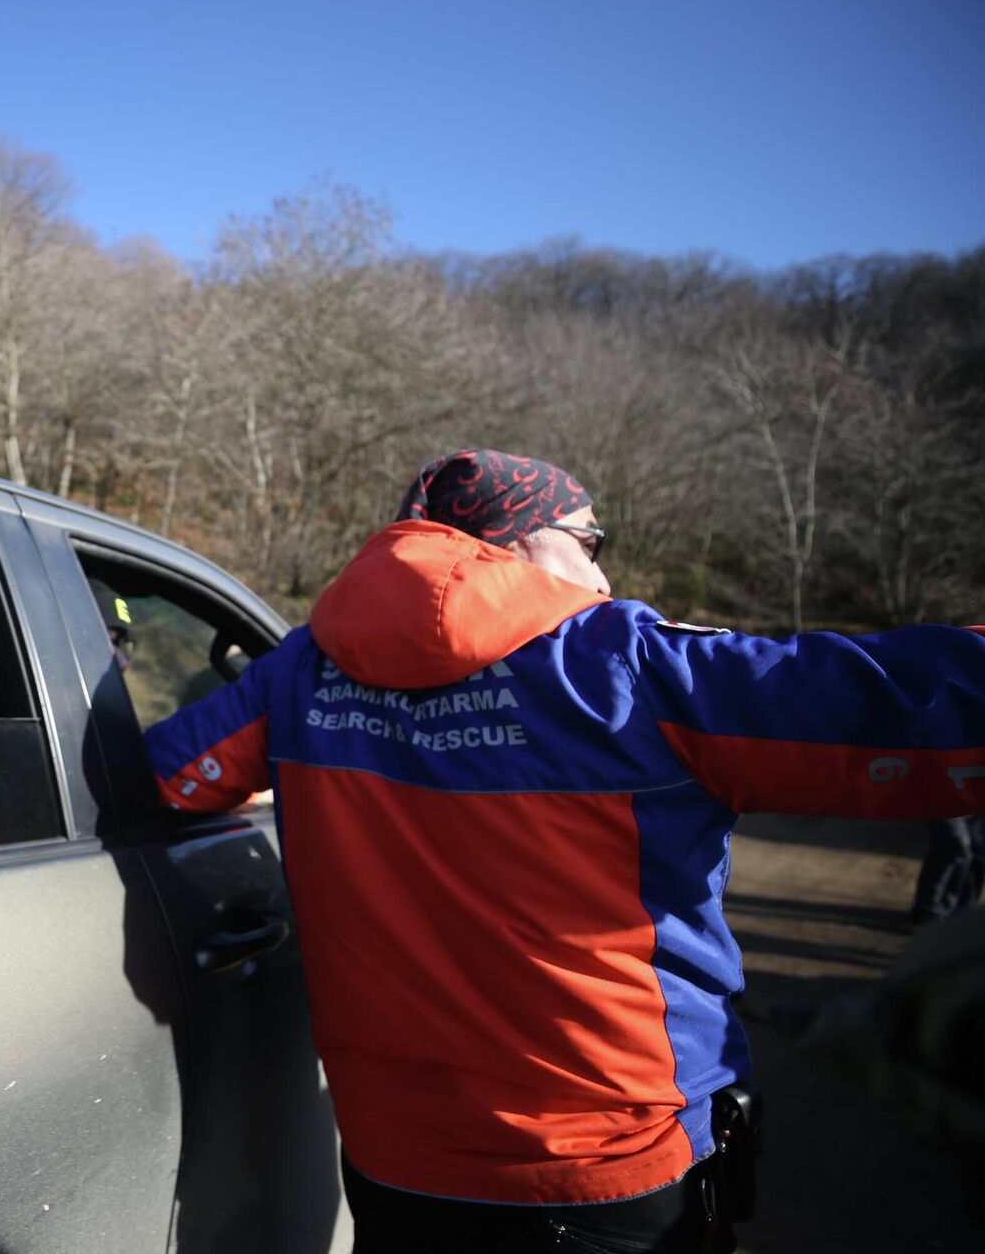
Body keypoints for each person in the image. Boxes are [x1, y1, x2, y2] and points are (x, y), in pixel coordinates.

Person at [141, 448, 985, 1254]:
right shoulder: (628, 663)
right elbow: (919, 709)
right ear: (507, 543)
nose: (604, 575)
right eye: (590, 542)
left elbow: (156, 780)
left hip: (393, 1160)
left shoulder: (296, 672)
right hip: (607, 1171)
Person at [908, 813, 985, 924]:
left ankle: (963, 911)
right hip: (942, 800)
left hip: (974, 801)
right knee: (954, 845)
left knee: (977, 848)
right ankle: (928, 910)